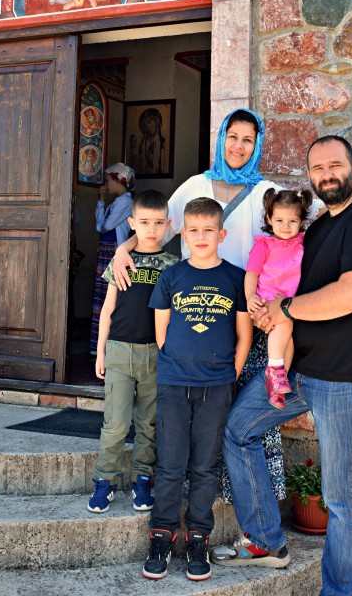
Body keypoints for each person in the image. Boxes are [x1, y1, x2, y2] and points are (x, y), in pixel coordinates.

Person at [211, 136, 352, 596]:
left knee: (341, 496)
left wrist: (285, 308)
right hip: (297, 369)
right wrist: (266, 308)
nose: (327, 174)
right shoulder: (314, 229)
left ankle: (339, 592)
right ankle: (265, 540)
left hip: (346, 377)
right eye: (318, 168)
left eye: (335, 165)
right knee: (238, 430)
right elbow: (283, 279)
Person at [114, 108, 306, 506]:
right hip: (198, 318)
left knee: (244, 417)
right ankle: (196, 495)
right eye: (233, 137)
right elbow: (157, 225)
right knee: (195, 416)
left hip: (251, 318)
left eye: (248, 140)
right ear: (221, 139)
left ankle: (247, 505)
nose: (239, 146)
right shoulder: (195, 185)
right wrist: (124, 248)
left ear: (257, 145)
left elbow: (306, 223)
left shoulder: (268, 192)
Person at [142, 197, 253, 582]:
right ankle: (161, 536)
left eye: (208, 230)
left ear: (222, 234)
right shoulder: (172, 276)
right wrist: (177, 365)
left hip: (216, 387)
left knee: (205, 466)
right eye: (193, 230)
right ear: (183, 234)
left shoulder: (235, 278)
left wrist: (230, 375)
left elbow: (244, 335)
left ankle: (198, 539)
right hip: (174, 384)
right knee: (170, 465)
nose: (201, 236)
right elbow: (161, 332)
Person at [88, 189, 179, 514]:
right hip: (119, 350)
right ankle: (105, 480)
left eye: (158, 222)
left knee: (148, 423)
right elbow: (107, 309)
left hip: (155, 354)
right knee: (115, 423)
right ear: (132, 223)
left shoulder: (173, 266)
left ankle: (143, 478)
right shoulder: (121, 261)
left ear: (167, 224)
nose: (151, 229)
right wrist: (100, 351)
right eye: (144, 222)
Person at [245, 188, 313, 409]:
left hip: (289, 303)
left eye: (292, 221)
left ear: (301, 221)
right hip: (267, 300)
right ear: (269, 219)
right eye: (279, 220)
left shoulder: (303, 243)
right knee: (284, 328)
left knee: (288, 340)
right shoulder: (264, 246)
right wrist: (250, 296)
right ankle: (274, 369)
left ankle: (277, 383)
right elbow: (251, 274)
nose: (285, 226)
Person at [89, 163, 135, 358]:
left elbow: (104, 226)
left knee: (111, 297)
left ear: (118, 180)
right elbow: (100, 226)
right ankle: (98, 344)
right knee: (103, 296)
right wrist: (100, 201)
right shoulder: (117, 202)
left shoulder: (125, 202)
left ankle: (108, 344)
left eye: (108, 180)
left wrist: (101, 204)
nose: (106, 184)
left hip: (115, 253)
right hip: (106, 252)